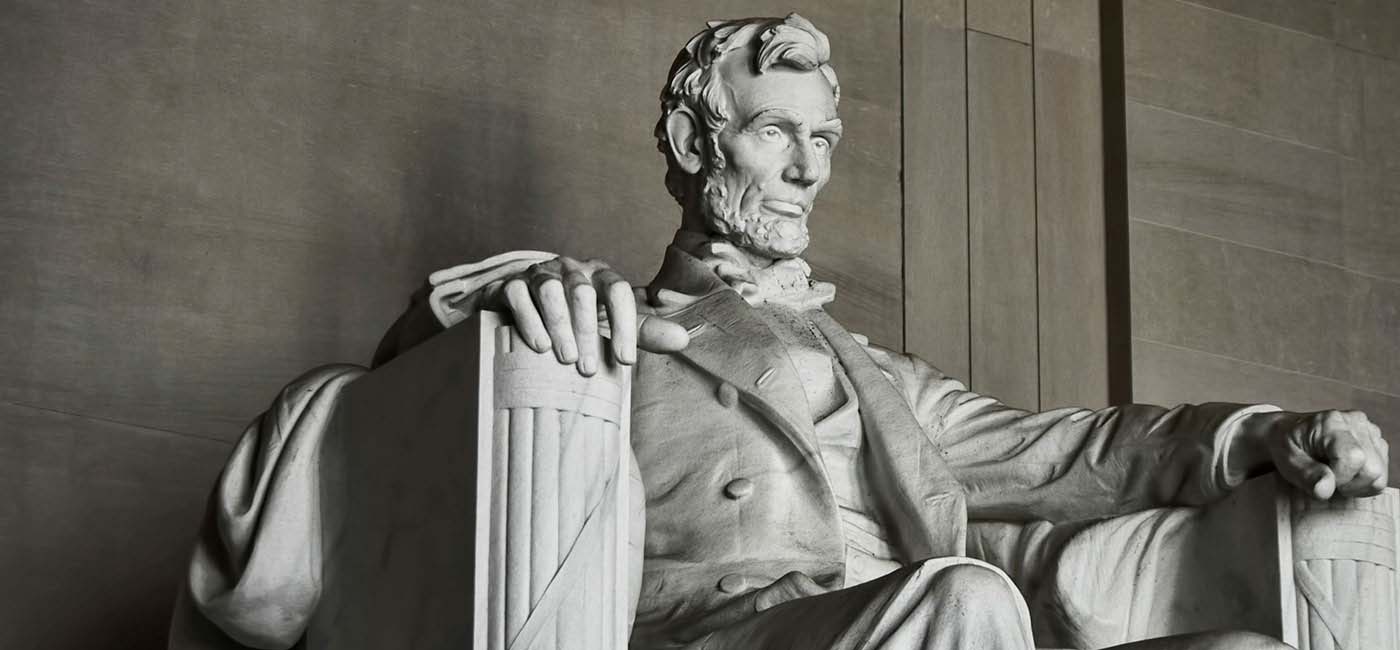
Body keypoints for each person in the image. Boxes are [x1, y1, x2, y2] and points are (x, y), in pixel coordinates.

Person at [173, 14, 1389, 650]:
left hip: (906, 622)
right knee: (963, 607)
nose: (806, 169)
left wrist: (1259, 435)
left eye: (821, 141)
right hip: (720, 632)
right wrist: (481, 308)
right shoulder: (607, 329)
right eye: (773, 133)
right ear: (699, 145)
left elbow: (1073, 449)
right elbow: (402, 425)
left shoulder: (881, 376)